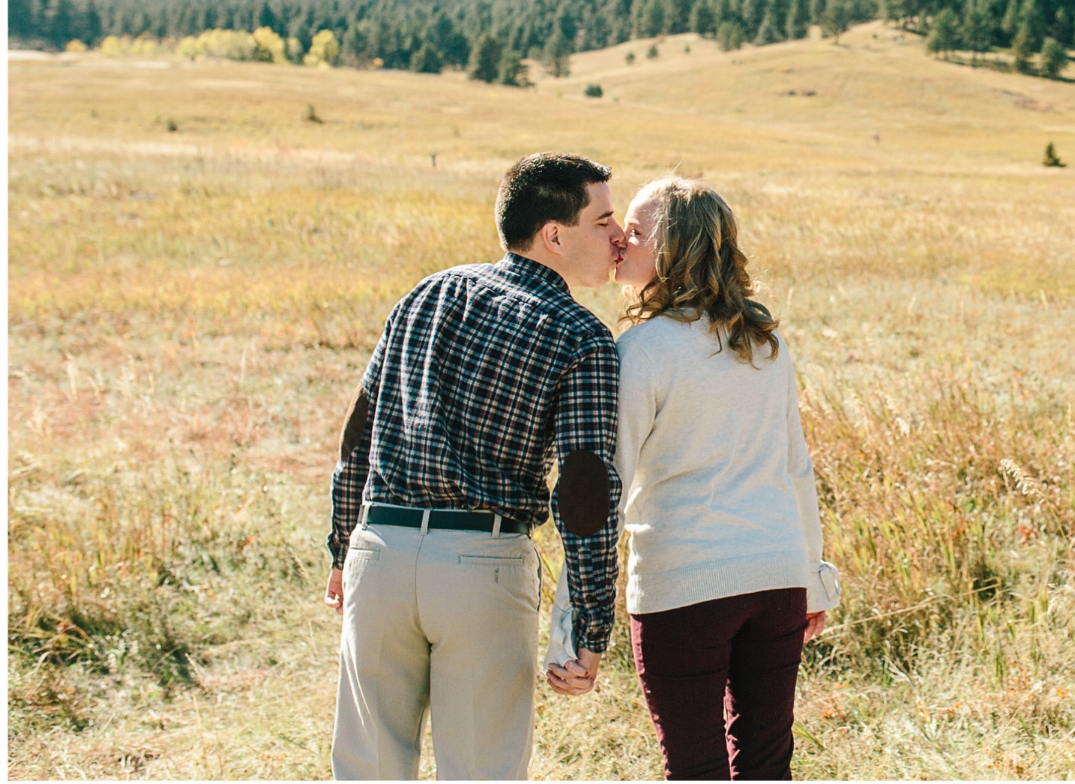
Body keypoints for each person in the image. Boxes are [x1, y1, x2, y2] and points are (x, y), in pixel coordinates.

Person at [327, 153, 626, 780]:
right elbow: (584, 490)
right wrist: (590, 626)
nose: (619, 235)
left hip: (379, 553)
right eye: (603, 222)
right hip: (480, 567)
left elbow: (360, 430)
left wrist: (340, 549)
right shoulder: (582, 337)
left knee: (368, 770)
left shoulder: (427, 293)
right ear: (554, 235)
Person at [546, 175, 840, 780]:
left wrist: (572, 627)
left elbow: (601, 491)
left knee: (695, 768)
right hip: (776, 577)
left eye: (637, 228)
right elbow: (796, 468)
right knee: (766, 763)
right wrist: (812, 580)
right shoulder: (766, 344)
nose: (621, 238)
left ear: (676, 248)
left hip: (685, 587)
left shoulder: (640, 351)